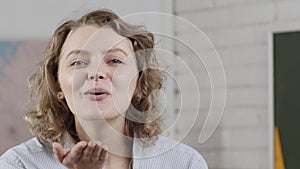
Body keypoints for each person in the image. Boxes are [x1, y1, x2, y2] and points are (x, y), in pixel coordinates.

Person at [0, 9, 208, 169]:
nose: (96, 73)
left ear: (139, 83)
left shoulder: (183, 162)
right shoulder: (20, 163)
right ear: (57, 85)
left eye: (115, 60)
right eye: (78, 62)